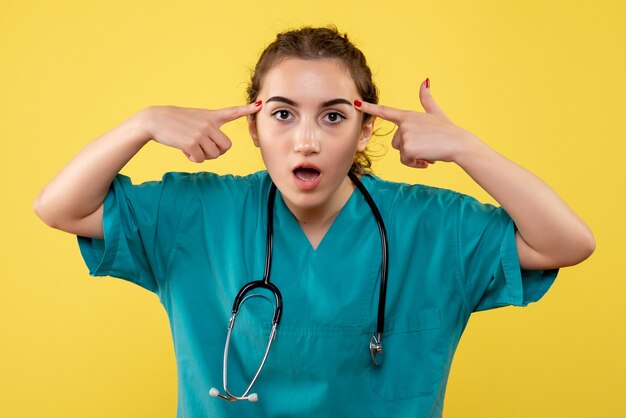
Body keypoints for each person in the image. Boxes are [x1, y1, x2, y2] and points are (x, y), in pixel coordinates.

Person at [34, 26, 595, 417]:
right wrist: (142, 123)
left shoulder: (432, 225)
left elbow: (568, 242)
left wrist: (471, 150)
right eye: (282, 114)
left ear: (366, 128)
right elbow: (61, 207)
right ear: (254, 127)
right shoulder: (197, 215)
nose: (307, 140)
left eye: (333, 116)